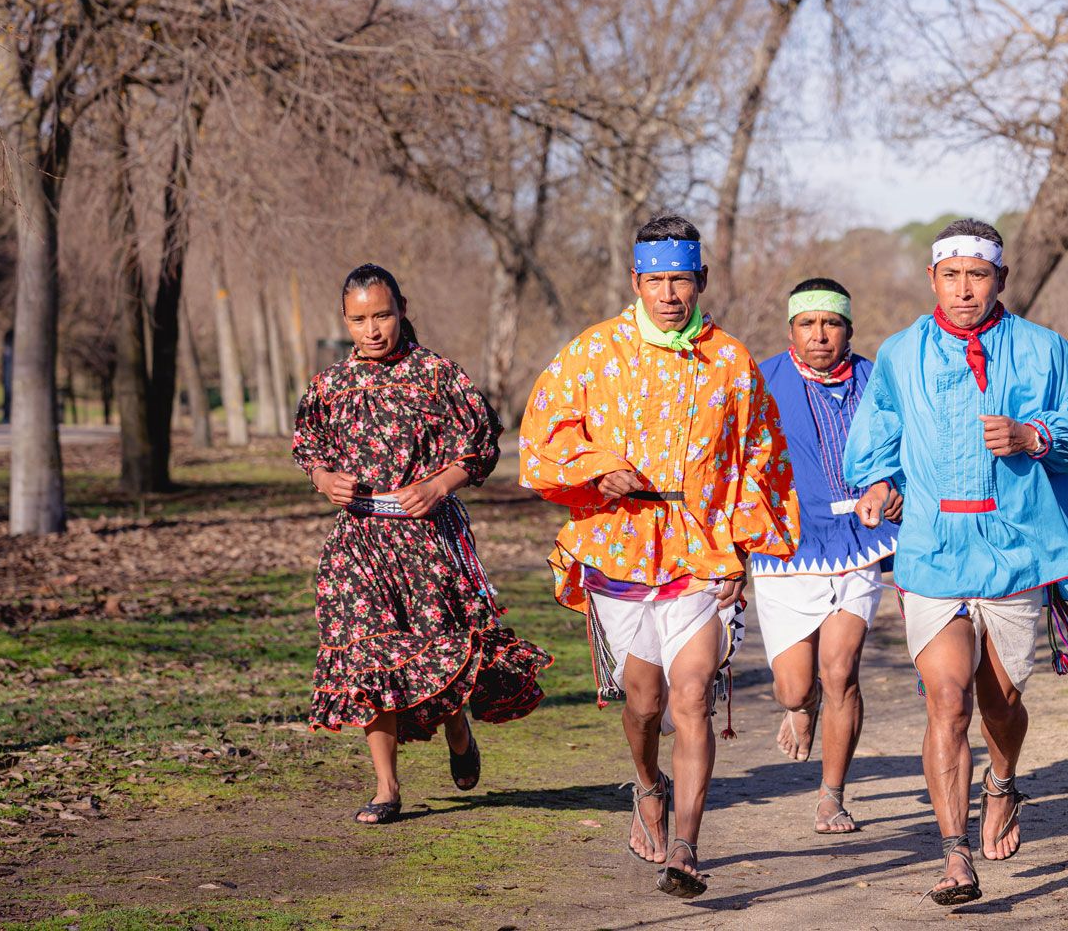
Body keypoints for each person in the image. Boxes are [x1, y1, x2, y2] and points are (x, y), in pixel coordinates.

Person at [518, 215, 799, 898]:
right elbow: (542, 436)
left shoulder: (730, 361)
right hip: (620, 549)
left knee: (693, 696)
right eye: (656, 280)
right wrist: (594, 469)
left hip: (702, 550)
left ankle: (687, 847)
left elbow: (759, 459)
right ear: (636, 281)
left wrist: (742, 549)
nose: (669, 292)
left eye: (681, 279)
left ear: (700, 281)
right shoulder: (592, 353)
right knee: (643, 702)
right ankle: (648, 784)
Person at [843, 218, 1068, 905]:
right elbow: (876, 439)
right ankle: (954, 854)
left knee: (1000, 702)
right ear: (934, 279)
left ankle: (1002, 782)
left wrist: (1035, 435)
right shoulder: (902, 354)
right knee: (947, 701)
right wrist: (879, 486)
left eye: (979, 275)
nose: (965, 288)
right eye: (952, 275)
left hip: (1017, 548)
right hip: (934, 549)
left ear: (1000, 280)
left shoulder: (1044, 349)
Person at [293, 264, 552, 826]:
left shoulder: (437, 375)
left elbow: (482, 445)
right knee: (365, 654)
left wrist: (439, 483)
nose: (373, 330)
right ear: (345, 321)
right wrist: (323, 479)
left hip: (427, 537)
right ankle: (386, 787)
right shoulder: (329, 387)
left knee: (440, 648)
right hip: (358, 542)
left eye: (382, 315)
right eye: (360, 319)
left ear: (402, 308)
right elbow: (308, 446)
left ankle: (456, 726)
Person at [750, 278, 900, 835]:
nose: (820, 335)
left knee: (842, 672)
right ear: (791, 330)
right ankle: (799, 703)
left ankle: (832, 795)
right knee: (795, 685)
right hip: (786, 547)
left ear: (849, 329)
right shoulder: (760, 381)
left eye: (831, 323)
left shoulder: (877, 382)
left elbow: (905, 443)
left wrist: (892, 489)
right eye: (808, 323)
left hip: (861, 542)